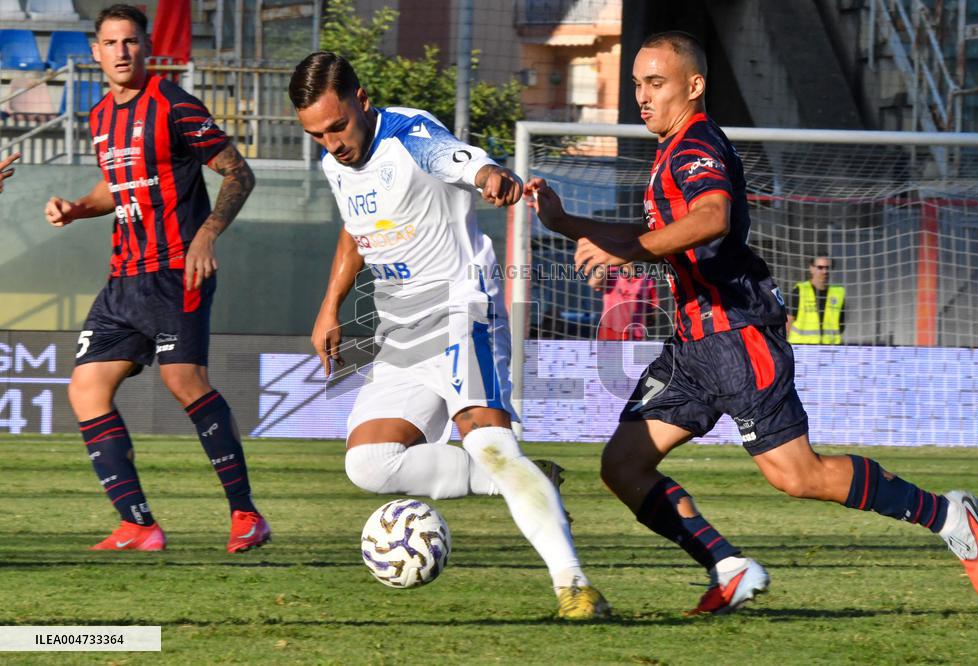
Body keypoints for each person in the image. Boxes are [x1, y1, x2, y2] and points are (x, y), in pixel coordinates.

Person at [525, 31, 978, 614]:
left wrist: (631, 249)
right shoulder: (670, 151)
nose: (643, 97)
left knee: (798, 476)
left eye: (656, 83)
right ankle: (728, 566)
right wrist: (568, 222)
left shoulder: (696, 143)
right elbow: (654, 236)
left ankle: (945, 513)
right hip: (695, 343)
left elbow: (712, 217)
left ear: (694, 86)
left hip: (738, 333)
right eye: (637, 84)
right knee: (623, 465)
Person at [288, 51, 610, 620]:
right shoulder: (335, 165)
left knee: (489, 445)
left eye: (337, 126)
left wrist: (489, 176)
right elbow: (354, 231)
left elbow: (454, 158)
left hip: (462, 312)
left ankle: (574, 586)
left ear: (362, 100)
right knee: (369, 463)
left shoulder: (409, 131)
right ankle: (518, 479)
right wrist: (328, 306)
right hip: (399, 332)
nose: (331, 142)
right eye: (317, 134)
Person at [43, 4, 269, 553]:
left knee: (182, 381)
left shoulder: (172, 104)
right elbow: (116, 187)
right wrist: (76, 207)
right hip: (123, 279)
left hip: (175, 272)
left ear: (146, 48)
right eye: (111, 43)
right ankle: (139, 524)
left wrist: (207, 234)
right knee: (86, 388)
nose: (121, 52)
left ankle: (246, 516)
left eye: (131, 42)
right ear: (95, 52)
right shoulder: (99, 117)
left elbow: (238, 170)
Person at [590, 264, 660, 340]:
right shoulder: (610, 271)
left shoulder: (647, 280)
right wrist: (606, 262)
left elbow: (652, 312)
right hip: (609, 331)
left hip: (634, 335)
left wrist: (650, 317)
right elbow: (593, 283)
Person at [786, 254, 846, 344]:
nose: (825, 271)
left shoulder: (837, 294)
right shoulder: (799, 291)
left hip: (829, 348)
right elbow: (787, 323)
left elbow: (840, 324)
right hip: (802, 348)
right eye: (820, 267)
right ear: (812, 268)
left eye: (827, 268)